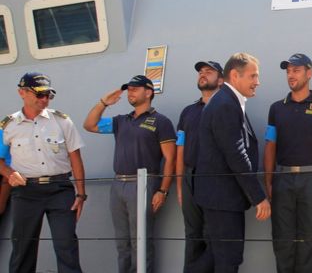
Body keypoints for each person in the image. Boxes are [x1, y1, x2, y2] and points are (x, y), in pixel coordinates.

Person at [83, 75, 176, 273]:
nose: (130, 92)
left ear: (148, 92)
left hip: (144, 183)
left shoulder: (161, 121)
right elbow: (89, 125)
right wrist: (103, 103)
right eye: (129, 89)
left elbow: (170, 159)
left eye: (135, 88)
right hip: (118, 185)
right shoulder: (121, 121)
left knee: (140, 241)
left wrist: (163, 191)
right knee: (122, 242)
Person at [0, 72, 86, 273]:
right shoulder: (8, 125)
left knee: (67, 246)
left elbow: (76, 158)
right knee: (23, 247)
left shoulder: (62, 121)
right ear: (22, 93)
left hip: (60, 189)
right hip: (25, 191)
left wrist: (81, 193)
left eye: (48, 95)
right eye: (39, 95)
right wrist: (9, 173)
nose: (45, 99)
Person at [264, 53, 312, 273]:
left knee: (310, 240)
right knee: (282, 240)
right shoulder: (276, 108)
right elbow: (270, 146)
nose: (291, 75)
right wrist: (268, 181)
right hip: (283, 180)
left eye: (296, 70)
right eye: (288, 71)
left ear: (309, 72)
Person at [194, 52, 271, 273]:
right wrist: (259, 197)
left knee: (215, 256)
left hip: (221, 198)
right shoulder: (226, 104)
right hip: (222, 198)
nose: (258, 82)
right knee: (229, 259)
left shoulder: (227, 101)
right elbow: (236, 154)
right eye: (253, 76)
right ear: (235, 76)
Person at [176, 60, 223, 272]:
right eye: (200, 72)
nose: (203, 74)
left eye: (209, 71)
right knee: (192, 234)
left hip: (215, 180)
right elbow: (180, 148)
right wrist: (179, 185)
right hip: (189, 178)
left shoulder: (228, 109)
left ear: (221, 80)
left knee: (213, 234)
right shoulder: (188, 111)